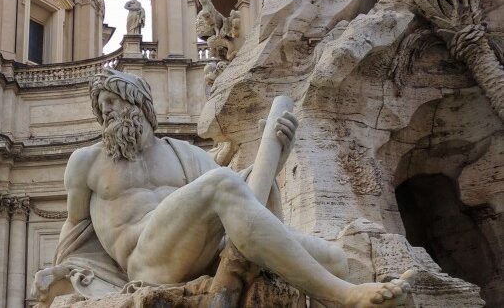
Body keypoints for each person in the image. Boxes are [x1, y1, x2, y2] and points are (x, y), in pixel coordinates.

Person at [34, 69, 414, 307]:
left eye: (113, 101)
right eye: (102, 107)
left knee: (334, 259)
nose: (107, 113)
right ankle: (345, 296)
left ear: (139, 105)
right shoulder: (87, 161)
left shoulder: (182, 152)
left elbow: (241, 194)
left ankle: (376, 296)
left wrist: (276, 156)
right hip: (146, 262)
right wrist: (60, 277)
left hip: (203, 250)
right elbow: (75, 230)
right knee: (221, 182)